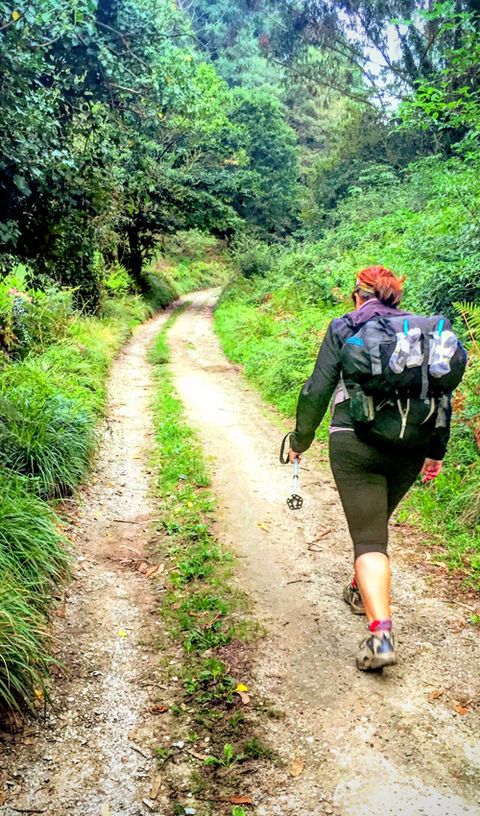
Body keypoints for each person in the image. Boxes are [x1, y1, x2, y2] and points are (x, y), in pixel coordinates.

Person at [288, 266, 450, 671]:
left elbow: (318, 388)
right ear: (394, 296)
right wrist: (436, 450)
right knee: (374, 528)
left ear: (357, 296)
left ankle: (381, 636)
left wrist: (299, 439)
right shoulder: (419, 334)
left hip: (354, 443)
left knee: (369, 541)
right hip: (410, 446)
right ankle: (362, 592)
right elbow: (441, 394)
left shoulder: (345, 327)